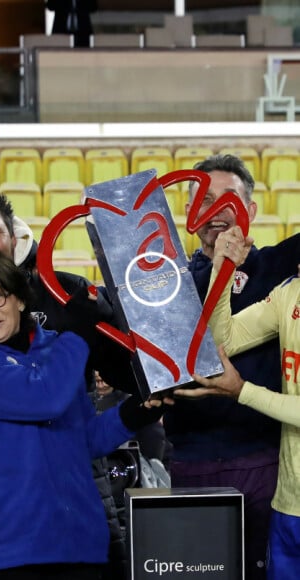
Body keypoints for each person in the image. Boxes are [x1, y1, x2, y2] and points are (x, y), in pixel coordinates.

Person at [0, 182, 139, 580]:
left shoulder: (67, 301)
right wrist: (79, 335)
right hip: (8, 536)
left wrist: (140, 407)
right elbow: (43, 395)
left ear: (15, 237)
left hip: (80, 528)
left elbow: (86, 432)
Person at [163, 153, 300, 579]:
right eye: (203, 200)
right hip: (190, 461)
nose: (216, 211)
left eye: (230, 199)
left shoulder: (279, 270)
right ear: (188, 213)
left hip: (266, 464)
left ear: (251, 210)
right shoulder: (163, 283)